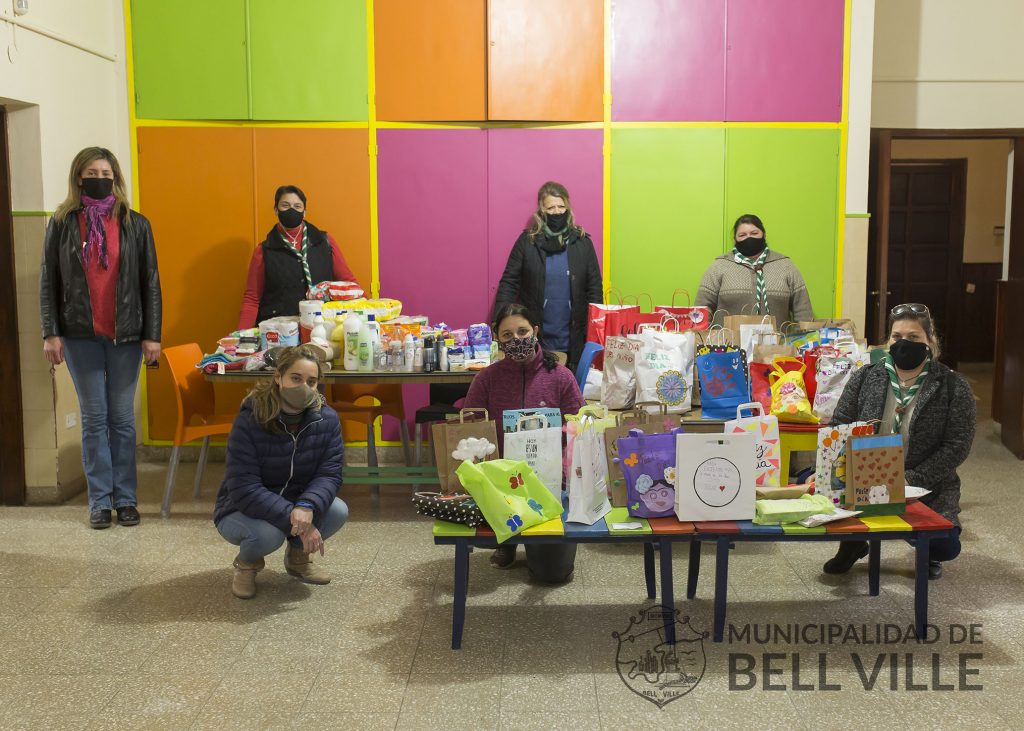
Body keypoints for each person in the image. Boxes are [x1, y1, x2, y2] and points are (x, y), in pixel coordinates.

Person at [39, 147, 162, 530]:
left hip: (126, 335)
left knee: (122, 421)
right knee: (94, 421)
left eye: (106, 172)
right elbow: (50, 281)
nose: (99, 177)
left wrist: (152, 336)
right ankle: (99, 502)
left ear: (116, 177)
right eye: (92, 171)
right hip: (78, 335)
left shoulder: (136, 224)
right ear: (79, 177)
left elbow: (150, 283)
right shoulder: (61, 224)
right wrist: (50, 332)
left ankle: (125, 499)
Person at [823, 304, 976, 580]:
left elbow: (957, 446)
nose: (904, 343)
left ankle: (927, 552)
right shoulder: (866, 376)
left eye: (914, 337)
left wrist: (910, 479)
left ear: (930, 341)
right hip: (865, 479)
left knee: (945, 545)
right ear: (888, 341)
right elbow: (840, 426)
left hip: (925, 484)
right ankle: (854, 544)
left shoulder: (953, 386)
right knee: (835, 520)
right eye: (897, 336)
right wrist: (828, 470)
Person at [214, 344, 349, 599]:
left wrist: (307, 505)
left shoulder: (327, 420)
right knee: (268, 535)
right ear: (278, 378)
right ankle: (247, 564)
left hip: (297, 502)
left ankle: (298, 560)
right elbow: (244, 488)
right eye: (295, 378)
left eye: (311, 381)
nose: (304, 387)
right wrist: (298, 520)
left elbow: (329, 474)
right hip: (241, 508)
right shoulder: (251, 418)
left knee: (338, 510)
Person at [463, 303, 586, 582]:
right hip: (499, 483)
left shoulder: (561, 377)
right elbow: (469, 426)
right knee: (479, 532)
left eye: (522, 331)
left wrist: (567, 476)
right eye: (507, 335)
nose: (516, 340)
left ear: (536, 331)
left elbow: (580, 429)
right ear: (497, 338)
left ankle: (538, 546)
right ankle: (507, 542)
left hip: (551, 483)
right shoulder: (486, 379)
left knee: (551, 575)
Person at [494, 181, 602, 370]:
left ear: (568, 207)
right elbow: (509, 283)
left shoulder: (582, 242)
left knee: (571, 394)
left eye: (561, 206)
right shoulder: (528, 242)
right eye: (551, 207)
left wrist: (595, 332)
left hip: (574, 339)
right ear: (541, 211)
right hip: (534, 338)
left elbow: (594, 288)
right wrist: (499, 324)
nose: (557, 212)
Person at [238, 185, 360, 329]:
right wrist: (241, 336)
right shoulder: (264, 251)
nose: (291, 210)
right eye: (285, 205)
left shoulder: (324, 242)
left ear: (304, 212)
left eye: (297, 206)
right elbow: (252, 299)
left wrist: (371, 314)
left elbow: (349, 284)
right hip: (279, 332)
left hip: (322, 327)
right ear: (276, 210)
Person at [695, 214, 814, 323]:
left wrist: (801, 341)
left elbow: (803, 312)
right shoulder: (719, 266)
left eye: (754, 233)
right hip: (729, 345)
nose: (749, 238)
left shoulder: (786, 266)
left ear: (764, 234)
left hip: (776, 345)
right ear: (735, 239)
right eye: (742, 235)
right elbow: (701, 311)